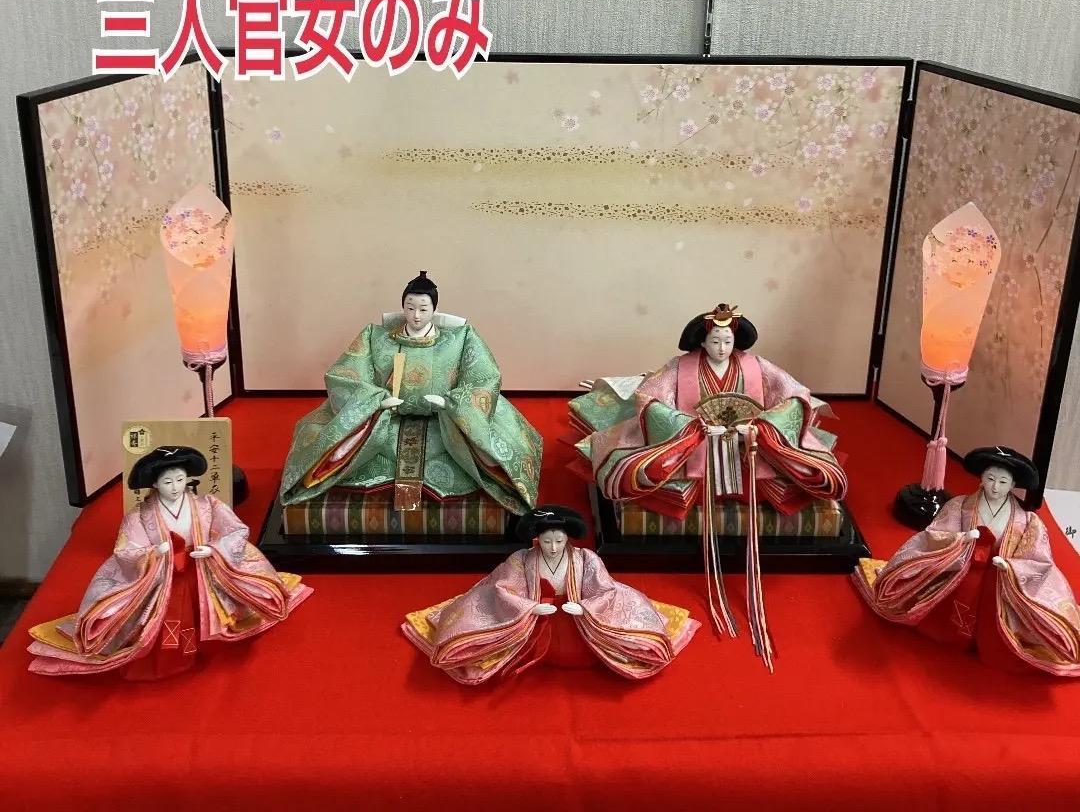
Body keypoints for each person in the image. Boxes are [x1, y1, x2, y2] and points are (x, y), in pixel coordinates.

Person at [28, 445, 311, 679]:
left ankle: (207, 644)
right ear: (154, 484)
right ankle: (174, 657)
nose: (175, 487)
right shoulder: (140, 515)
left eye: (179, 479)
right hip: (162, 577)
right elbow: (126, 550)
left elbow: (235, 530)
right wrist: (154, 552)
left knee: (209, 609)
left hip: (203, 569)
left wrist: (213, 549)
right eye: (167, 481)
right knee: (169, 617)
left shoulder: (207, 505)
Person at [279, 271, 542, 515]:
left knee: (494, 447)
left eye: (423, 309)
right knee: (322, 440)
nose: (416, 315)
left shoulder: (461, 338)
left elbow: (484, 377)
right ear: (403, 307)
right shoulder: (375, 336)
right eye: (410, 307)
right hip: (383, 420)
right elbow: (345, 375)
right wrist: (376, 400)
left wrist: (452, 402)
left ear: (434, 309)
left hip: (446, 422)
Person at [571, 303, 846, 518]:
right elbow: (649, 398)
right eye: (715, 341)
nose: (722, 348)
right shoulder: (680, 366)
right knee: (638, 474)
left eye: (727, 341)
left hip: (749, 446)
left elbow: (795, 394)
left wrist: (761, 428)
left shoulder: (757, 365)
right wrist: (690, 428)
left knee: (803, 478)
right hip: (693, 447)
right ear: (702, 342)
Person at [401, 505, 699, 683]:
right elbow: (502, 589)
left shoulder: (585, 558)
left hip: (577, 620)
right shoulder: (522, 559)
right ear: (537, 539)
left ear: (567, 538)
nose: (553, 547)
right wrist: (530, 607)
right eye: (547, 541)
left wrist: (585, 608)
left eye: (559, 540)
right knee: (490, 644)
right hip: (533, 621)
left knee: (602, 646)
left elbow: (605, 588)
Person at [854, 446, 1080, 676]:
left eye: (1003, 482)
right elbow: (935, 534)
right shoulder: (960, 505)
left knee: (995, 623)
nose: (995, 486)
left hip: (998, 580)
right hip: (960, 571)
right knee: (949, 613)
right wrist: (961, 539)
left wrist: (1011, 566)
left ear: (1013, 485)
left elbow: (1038, 559)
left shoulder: (1027, 521)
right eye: (990, 478)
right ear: (981, 477)